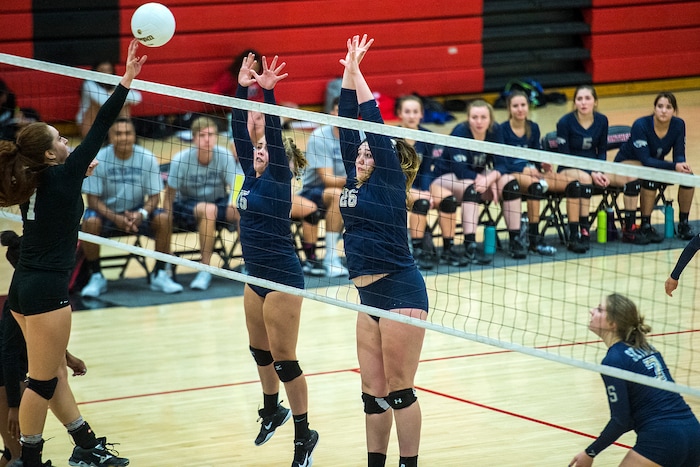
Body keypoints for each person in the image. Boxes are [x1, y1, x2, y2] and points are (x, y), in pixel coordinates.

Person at [0, 38, 145, 467]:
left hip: (24, 288)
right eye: (61, 139)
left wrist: (74, 175)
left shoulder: (37, 181)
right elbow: (100, 125)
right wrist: (127, 80)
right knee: (41, 383)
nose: (67, 141)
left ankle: (86, 446)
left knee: (54, 373)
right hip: (46, 291)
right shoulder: (63, 178)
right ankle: (30, 459)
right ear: (49, 154)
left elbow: (60, 187)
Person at [338, 35, 428, 467]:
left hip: (401, 293)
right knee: (372, 396)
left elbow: (371, 122)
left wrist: (360, 76)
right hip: (367, 297)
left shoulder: (391, 183)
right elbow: (346, 124)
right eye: (359, 150)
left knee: (399, 390)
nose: (360, 153)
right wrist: (345, 74)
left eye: (368, 151)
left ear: (386, 161)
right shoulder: (354, 178)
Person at [231, 52, 318, 467]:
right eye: (257, 148)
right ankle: (272, 410)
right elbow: (236, 128)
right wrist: (241, 85)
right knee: (259, 351)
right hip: (254, 276)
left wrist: (267, 92)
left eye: (266, 149)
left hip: (283, 277)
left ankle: (304, 434)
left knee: (285, 361)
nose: (260, 152)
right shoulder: (249, 173)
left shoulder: (279, 178)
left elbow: (275, 131)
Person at [569, 293, 700, 467]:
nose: (591, 311)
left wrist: (590, 452)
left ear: (612, 324)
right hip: (693, 432)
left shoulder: (613, 360)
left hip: (662, 438)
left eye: (599, 309)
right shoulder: (646, 348)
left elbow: (621, 420)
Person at [0, 231, 88, 466]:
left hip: (19, 373)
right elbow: (7, 356)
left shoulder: (33, 295)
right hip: (5, 379)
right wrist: (13, 405)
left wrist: (68, 358)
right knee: (15, 455)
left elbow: (44, 339)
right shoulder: (16, 303)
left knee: (12, 454)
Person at [79, 117, 183, 298]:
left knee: (164, 218)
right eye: (118, 133)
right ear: (110, 136)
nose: (123, 137)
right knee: (89, 221)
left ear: (134, 135)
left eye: (127, 133)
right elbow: (93, 201)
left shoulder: (147, 158)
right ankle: (96, 276)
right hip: (106, 213)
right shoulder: (99, 159)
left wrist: (141, 213)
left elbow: (154, 197)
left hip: (137, 212)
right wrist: (116, 217)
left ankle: (160, 273)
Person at [434, 99, 528, 262]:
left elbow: (502, 163)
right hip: (447, 178)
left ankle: (515, 240)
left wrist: (490, 178)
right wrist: (484, 180)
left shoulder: (495, 130)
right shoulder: (460, 131)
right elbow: (460, 170)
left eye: (483, 117)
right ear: (468, 118)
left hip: (480, 176)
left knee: (511, 184)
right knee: (473, 188)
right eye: (474, 117)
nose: (479, 122)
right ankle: (470, 246)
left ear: (490, 119)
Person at [165, 116, 241, 291]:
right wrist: (166, 220)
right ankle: (205, 269)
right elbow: (168, 197)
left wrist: (234, 204)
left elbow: (235, 187)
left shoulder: (224, 155)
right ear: (194, 138)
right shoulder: (180, 159)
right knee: (208, 210)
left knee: (243, 210)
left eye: (211, 135)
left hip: (218, 203)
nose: (207, 139)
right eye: (202, 135)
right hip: (187, 206)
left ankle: (251, 266)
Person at [614, 92, 695, 243]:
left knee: (689, 178)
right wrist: (674, 166)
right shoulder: (641, 125)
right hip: (629, 162)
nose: (664, 110)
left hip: (654, 165)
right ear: (654, 108)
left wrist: (681, 165)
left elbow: (679, 155)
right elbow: (645, 160)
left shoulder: (678, 125)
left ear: (674, 110)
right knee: (650, 176)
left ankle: (683, 223)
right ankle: (645, 225)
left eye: (668, 107)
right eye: (660, 106)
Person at [500, 90, 563, 256]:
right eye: (515, 106)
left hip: (533, 173)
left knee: (572, 184)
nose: (520, 109)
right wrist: (524, 169)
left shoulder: (533, 128)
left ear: (528, 107)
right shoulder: (502, 130)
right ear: (509, 109)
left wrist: (543, 165)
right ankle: (533, 239)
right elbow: (502, 162)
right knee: (535, 187)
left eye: (523, 105)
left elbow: (536, 155)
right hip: (512, 173)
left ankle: (576, 234)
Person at [296, 97, 348, 277]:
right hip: (312, 191)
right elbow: (328, 179)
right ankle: (330, 257)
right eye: (338, 110)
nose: (342, 114)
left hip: (346, 189)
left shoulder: (361, 136)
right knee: (336, 194)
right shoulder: (320, 137)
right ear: (332, 113)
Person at [556, 85, 611, 254]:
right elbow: (565, 157)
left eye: (587, 98)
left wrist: (599, 171)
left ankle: (584, 231)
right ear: (574, 103)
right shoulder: (564, 122)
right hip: (567, 168)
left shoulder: (602, 121)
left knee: (588, 179)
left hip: (592, 169)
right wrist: (591, 172)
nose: (583, 102)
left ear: (595, 102)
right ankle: (576, 232)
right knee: (584, 180)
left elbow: (601, 151)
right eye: (579, 99)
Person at [395, 95, 443, 270]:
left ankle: (447, 249)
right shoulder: (393, 138)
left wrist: (426, 191)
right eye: (407, 111)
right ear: (400, 114)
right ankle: (416, 249)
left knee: (435, 200)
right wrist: (420, 193)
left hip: (419, 189)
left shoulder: (427, 137)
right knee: (421, 201)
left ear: (421, 114)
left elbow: (427, 170)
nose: (411, 116)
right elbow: (394, 174)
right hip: (396, 187)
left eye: (415, 112)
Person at [76, 59, 142, 138]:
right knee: (94, 106)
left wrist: (116, 95)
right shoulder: (89, 83)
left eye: (108, 70)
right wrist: (118, 94)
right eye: (102, 70)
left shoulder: (115, 83)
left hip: (110, 122)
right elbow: (102, 101)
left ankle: (123, 137)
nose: (106, 73)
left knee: (124, 105)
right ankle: (89, 139)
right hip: (87, 122)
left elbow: (137, 98)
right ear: (96, 71)